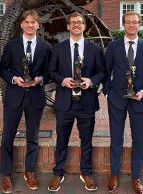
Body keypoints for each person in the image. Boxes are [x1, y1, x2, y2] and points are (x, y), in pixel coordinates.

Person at [48, 12, 106, 192]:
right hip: (65, 102)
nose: (76, 25)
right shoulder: (59, 48)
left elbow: (102, 72)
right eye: (73, 22)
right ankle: (58, 172)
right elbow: (51, 71)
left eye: (79, 23)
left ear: (84, 26)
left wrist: (92, 81)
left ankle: (86, 172)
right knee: (62, 140)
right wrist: (62, 80)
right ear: (68, 26)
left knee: (86, 140)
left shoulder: (94, 49)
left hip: (86, 102)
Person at [103, 11, 143, 194]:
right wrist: (108, 93)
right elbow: (105, 72)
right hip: (117, 100)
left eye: (135, 22)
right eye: (128, 22)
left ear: (140, 25)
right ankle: (114, 174)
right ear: (123, 24)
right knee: (116, 139)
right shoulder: (113, 46)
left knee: (138, 140)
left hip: (139, 101)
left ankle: (136, 177)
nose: (131, 25)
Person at [0, 10, 52, 193]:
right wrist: (14, 79)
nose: (30, 25)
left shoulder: (46, 47)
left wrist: (40, 79)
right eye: (27, 22)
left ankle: (29, 171)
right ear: (21, 24)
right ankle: (6, 173)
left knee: (33, 136)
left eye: (33, 22)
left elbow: (50, 72)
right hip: (15, 95)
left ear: (38, 25)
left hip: (35, 96)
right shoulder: (11, 46)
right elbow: (3, 69)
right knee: (8, 136)